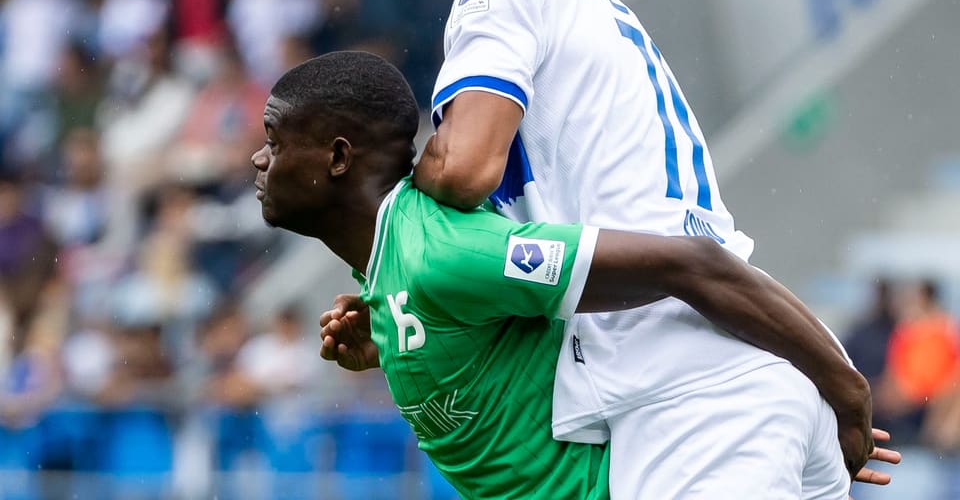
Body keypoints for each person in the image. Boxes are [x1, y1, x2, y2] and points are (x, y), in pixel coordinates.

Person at [323, 0, 892, 499]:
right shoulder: (596, 13)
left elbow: (465, 171)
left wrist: (398, 217)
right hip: (743, 379)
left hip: (688, 401)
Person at [257, 52, 896, 499]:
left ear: (338, 157)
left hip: (685, 463)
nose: (259, 158)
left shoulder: (442, 252)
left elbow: (691, 263)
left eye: (274, 138)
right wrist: (395, 344)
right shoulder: (396, 267)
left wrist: (847, 392)